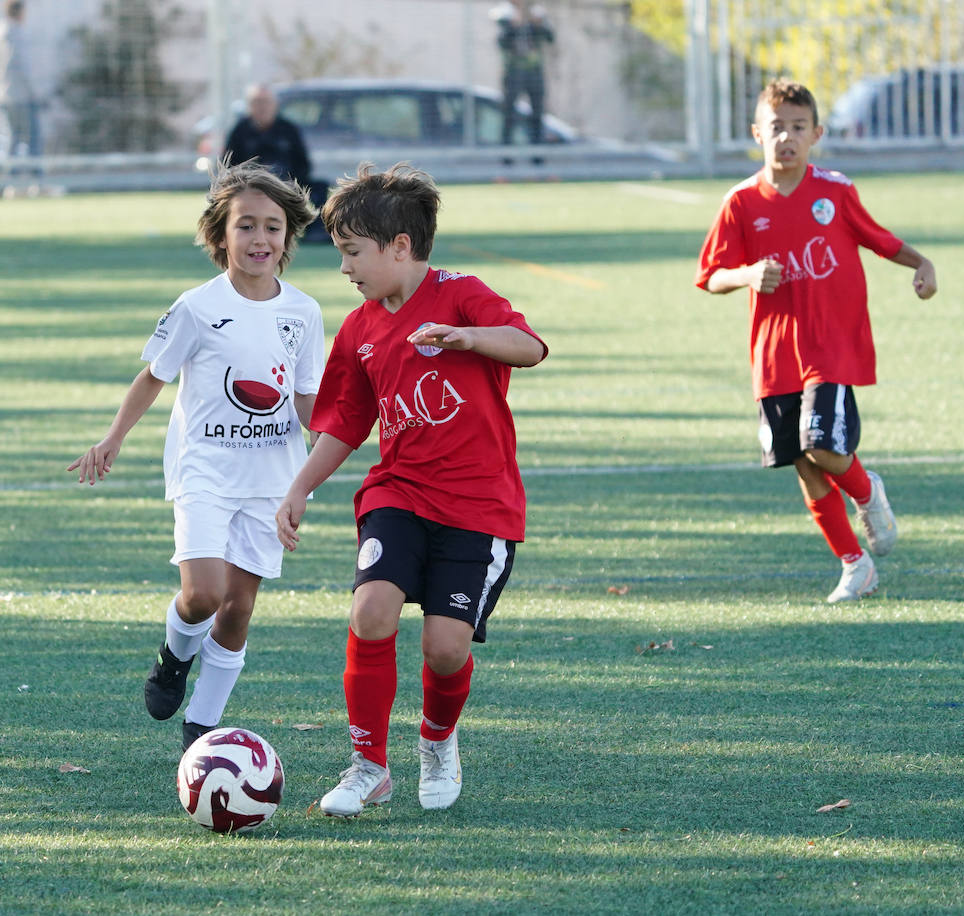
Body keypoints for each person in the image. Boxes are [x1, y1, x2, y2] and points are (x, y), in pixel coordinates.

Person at [275, 163, 548, 816]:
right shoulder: (361, 329)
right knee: (370, 612)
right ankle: (369, 766)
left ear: (400, 246)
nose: (345, 268)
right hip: (397, 494)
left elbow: (529, 346)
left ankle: (437, 739)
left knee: (445, 648)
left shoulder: (462, 295)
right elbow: (345, 421)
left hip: (480, 508)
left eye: (352, 253)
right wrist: (300, 487)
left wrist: (469, 338)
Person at [68, 162, 323, 752]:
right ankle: (173, 658)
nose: (260, 240)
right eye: (246, 226)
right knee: (204, 594)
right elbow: (153, 377)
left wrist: (326, 458)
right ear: (221, 234)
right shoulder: (197, 306)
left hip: (271, 478)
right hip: (204, 469)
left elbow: (308, 399)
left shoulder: (303, 313)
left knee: (238, 609)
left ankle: (202, 729)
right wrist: (112, 439)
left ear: (288, 237)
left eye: (273, 228)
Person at [695, 78, 938, 603]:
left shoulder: (835, 191)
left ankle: (868, 492)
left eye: (798, 127)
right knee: (805, 467)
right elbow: (711, 275)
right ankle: (855, 565)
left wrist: (922, 262)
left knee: (822, 445)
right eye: (776, 127)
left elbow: (880, 239)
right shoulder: (739, 202)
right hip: (772, 356)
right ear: (757, 133)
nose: (787, 137)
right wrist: (747, 275)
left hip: (829, 348)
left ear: (816, 134)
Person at [224, 84, 329, 242]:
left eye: (266, 102)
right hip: (251, 186)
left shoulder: (288, 129)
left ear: (275, 105)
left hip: (288, 184)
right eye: (257, 102)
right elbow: (229, 166)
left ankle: (317, 231)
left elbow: (303, 163)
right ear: (249, 106)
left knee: (320, 188)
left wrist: (288, 181)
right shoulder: (240, 132)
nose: (262, 107)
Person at [492, 0, 554, 144]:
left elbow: (550, 37)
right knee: (509, 113)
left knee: (537, 113)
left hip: (534, 72)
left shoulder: (536, 12)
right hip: (514, 72)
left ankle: (537, 152)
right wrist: (513, 26)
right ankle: (506, 153)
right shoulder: (505, 14)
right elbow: (501, 42)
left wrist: (538, 25)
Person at [0, 0, 41, 159]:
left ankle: (10, 177)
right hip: (20, 95)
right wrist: (34, 92)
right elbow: (21, 66)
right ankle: (35, 178)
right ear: (19, 11)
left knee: (13, 137)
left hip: (2, 94)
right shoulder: (15, 33)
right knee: (33, 138)